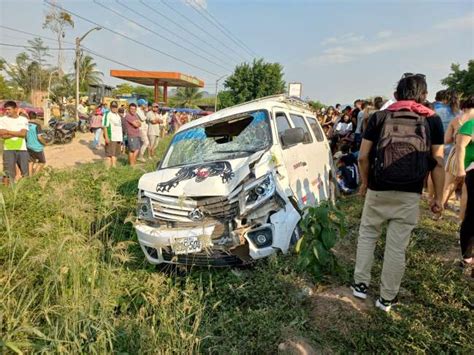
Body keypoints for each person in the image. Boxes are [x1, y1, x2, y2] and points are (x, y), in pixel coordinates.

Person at [352, 73, 445, 312]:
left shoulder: (379, 117)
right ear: (423, 96)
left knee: (368, 235)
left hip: (378, 188)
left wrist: (364, 184)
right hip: (410, 192)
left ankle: (360, 285)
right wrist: (437, 198)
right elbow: (438, 162)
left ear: (396, 95)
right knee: (396, 247)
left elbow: (363, 157)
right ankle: (386, 299)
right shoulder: (432, 121)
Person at [442, 98, 473, 210]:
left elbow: (446, 140)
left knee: (448, 186)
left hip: (456, 155)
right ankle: (463, 215)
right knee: (467, 190)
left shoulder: (457, 119)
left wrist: (456, 137)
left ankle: (438, 212)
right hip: (471, 158)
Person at [455, 97, 474, 276]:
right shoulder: (470, 125)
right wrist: (460, 169)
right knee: (471, 216)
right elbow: (460, 147)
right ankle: (467, 257)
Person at [0, 101, 29, 185]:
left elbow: (23, 134)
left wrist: (8, 131)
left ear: (16, 109)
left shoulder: (23, 119)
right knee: (8, 173)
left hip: (22, 149)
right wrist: (18, 133)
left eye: (9, 109)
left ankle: (25, 189)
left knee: (25, 172)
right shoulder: (2, 120)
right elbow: (2, 135)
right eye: (6, 110)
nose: (7, 111)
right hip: (8, 149)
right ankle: (8, 192)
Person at [102, 101, 123, 168]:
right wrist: (107, 137)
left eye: (115, 107)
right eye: (112, 107)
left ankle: (114, 166)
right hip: (111, 137)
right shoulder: (107, 114)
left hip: (118, 137)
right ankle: (108, 168)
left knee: (115, 154)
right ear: (110, 107)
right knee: (110, 154)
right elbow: (105, 126)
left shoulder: (118, 115)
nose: (114, 108)